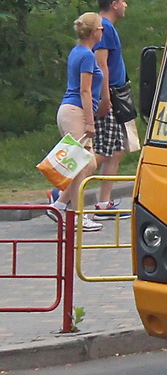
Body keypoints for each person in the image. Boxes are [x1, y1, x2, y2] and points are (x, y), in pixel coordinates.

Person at [48, 13, 104, 232]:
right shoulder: (88, 56)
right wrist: (90, 121)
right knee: (80, 163)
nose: (103, 31)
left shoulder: (77, 52)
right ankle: (78, 215)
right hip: (76, 111)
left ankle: (60, 204)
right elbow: (85, 89)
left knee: (87, 163)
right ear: (93, 31)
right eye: (100, 28)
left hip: (68, 110)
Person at [92, 0, 130, 219]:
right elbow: (101, 64)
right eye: (123, 1)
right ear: (114, 4)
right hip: (111, 95)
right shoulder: (104, 27)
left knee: (116, 150)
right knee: (103, 151)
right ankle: (62, 192)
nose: (126, 5)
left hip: (117, 92)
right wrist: (105, 98)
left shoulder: (108, 27)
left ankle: (104, 203)